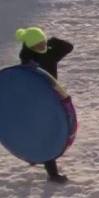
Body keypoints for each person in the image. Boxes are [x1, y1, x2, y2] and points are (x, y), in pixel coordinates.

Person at [15, 26, 75, 184]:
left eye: (43, 43)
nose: (41, 47)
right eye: (37, 45)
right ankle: (52, 173)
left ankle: (38, 156)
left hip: (52, 97)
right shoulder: (27, 58)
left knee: (49, 132)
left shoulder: (51, 53)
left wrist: (51, 41)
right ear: (29, 46)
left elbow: (69, 46)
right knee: (45, 134)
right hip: (36, 99)